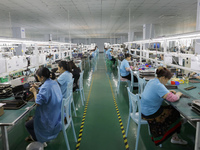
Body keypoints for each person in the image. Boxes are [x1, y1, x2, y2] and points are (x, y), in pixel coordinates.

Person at [141, 66, 187, 146]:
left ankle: (177, 128)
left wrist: (168, 92)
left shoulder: (152, 81)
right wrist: (178, 94)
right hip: (152, 113)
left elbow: (158, 91)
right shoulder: (159, 86)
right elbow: (173, 98)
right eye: (167, 80)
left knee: (172, 110)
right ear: (162, 78)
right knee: (175, 112)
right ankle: (175, 137)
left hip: (145, 110)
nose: (167, 82)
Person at [25, 67, 62, 145]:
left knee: (28, 124)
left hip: (49, 119)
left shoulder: (45, 87)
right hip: (56, 114)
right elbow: (47, 91)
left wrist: (34, 92)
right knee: (33, 118)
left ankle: (40, 140)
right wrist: (38, 88)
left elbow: (38, 103)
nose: (37, 78)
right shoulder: (53, 82)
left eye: (38, 76)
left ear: (41, 77)